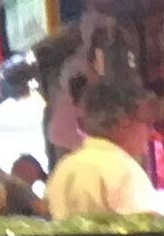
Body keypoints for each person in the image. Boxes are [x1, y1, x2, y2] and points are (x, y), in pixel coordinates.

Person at [40, 77, 152, 216]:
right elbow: (143, 230)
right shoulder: (124, 170)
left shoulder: (64, 167)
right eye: (146, 123)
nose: (150, 133)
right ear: (124, 123)